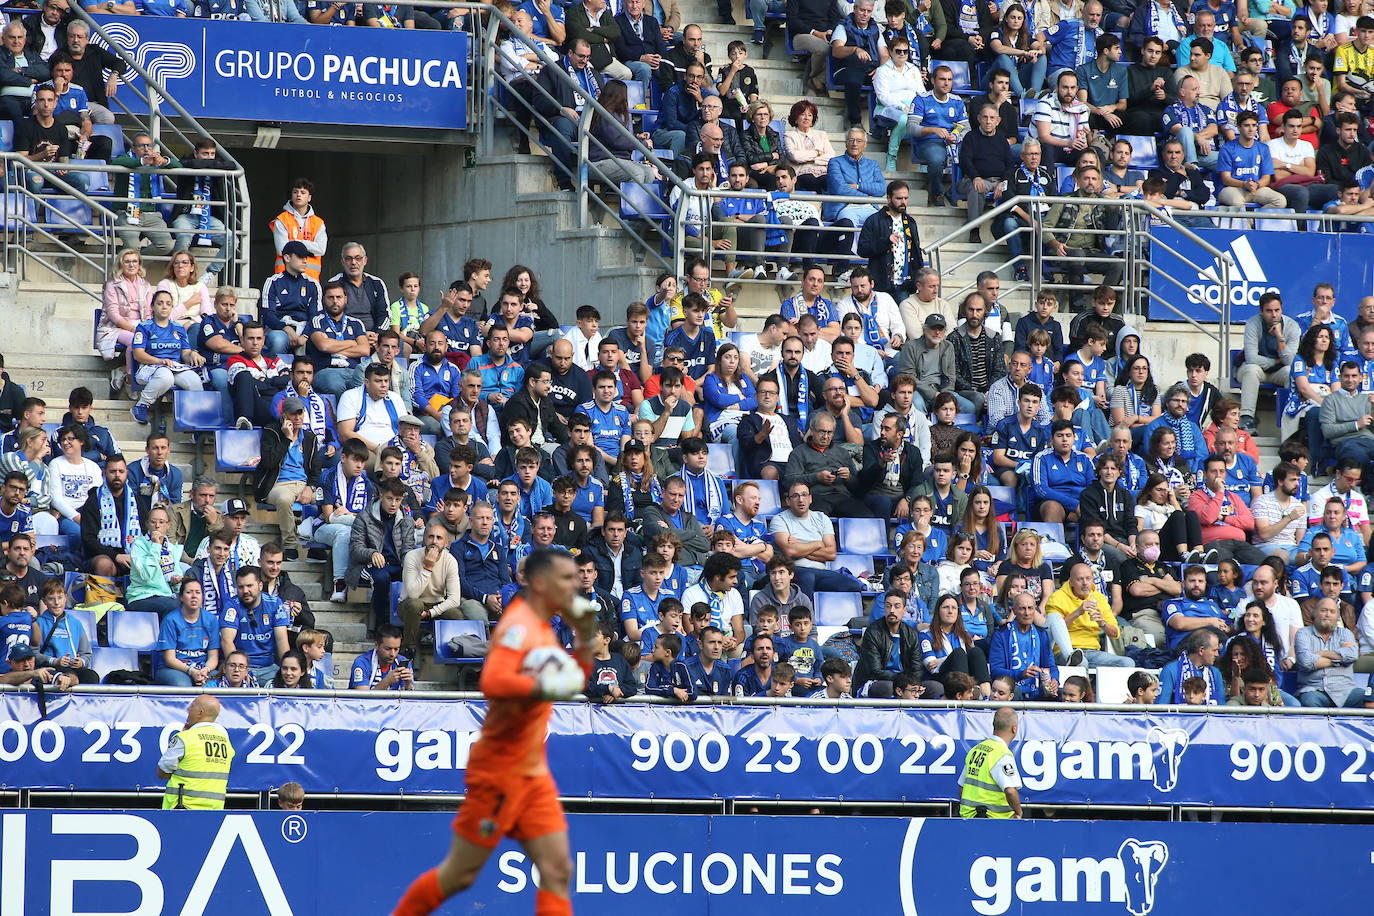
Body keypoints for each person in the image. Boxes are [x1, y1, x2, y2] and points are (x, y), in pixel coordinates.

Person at [393, 549, 593, 916]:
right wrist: (547, 684)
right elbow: (495, 679)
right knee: (459, 875)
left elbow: (575, 678)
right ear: (540, 583)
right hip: (501, 774)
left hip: (531, 773)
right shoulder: (520, 626)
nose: (575, 583)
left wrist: (585, 638)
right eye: (565, 577)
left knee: (558, 869)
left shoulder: (543, 626)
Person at [1046, 561, 1131, 667]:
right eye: (1080, 579)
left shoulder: (1099, 598)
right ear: (1071, 581)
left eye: (1088, 578)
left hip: (1093, 651)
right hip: (1064, 652)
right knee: (1081, 662)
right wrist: (1077, 612)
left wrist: (1102, 623)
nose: (1085, 583)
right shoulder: (1057, 597)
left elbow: (1115, 634)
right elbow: (1053, 627)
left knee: (1127, 663)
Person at [157, 695, 234, 810]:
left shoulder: (185, 738)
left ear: (200, 713)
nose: (188, 709)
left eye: (192, 706)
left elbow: (162, 772)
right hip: (215, 809)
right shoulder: (225, 741)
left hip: (183, 808)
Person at [1295, 597, 1364, 706]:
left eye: (1332, 611)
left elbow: (1352, 655)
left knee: (1365, 697)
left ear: (1337, 616)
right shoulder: (1303, 634)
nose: (1327, 614)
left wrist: (1320, 654)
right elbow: (1306, 662)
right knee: (1309, 701)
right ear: (1315, 613)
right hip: (1315, 690)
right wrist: (1340, 659)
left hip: (1346, 691)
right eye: (1323, 610)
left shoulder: (1346, 633)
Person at [957, 707, 1023, 819]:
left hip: (969, 817)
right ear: (1014, 729)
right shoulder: (1002, 754)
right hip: (992, 819)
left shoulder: (976, 749)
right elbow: (1010, 791)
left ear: (994, 725)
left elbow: (962, 786)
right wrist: (1018, 812)